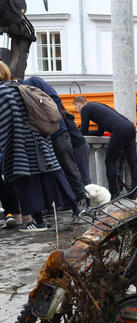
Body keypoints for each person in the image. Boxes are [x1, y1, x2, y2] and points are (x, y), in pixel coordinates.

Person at [0, 61, 79, 232]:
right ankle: (77, 209)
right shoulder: (16, 87)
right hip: (40, 138)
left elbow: (5, 121)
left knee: (27, 183)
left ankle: (39, 222)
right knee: (54, 176)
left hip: (20, 144)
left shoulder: (2, 92)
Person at [22, 76, 88, 208]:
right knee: (62, 170)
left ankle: (81, 199)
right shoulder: (30, 85)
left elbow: (54, 100)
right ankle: (72, 201)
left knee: (68, 167)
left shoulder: (32, 82)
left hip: (57, 134)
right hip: (50, 135)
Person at [73, 96, 137, 199]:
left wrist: (75, 132)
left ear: (78, 104)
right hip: (129, 126)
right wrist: (90, 133)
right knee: (133, 161)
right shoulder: (97, 106)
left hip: (119, 129)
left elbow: (83, 131)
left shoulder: (85, 108)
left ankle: (113, 193)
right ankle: (134, 193)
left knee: (110, 161)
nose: (78, 111)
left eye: (76, 109)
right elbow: (100, 132)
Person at [61, 104, 91, 185]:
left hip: (78, 146)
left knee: (83, 175)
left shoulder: (62, 118)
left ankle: (88, 196)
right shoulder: (66, 115)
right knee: (83, 175)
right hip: (80, 145)